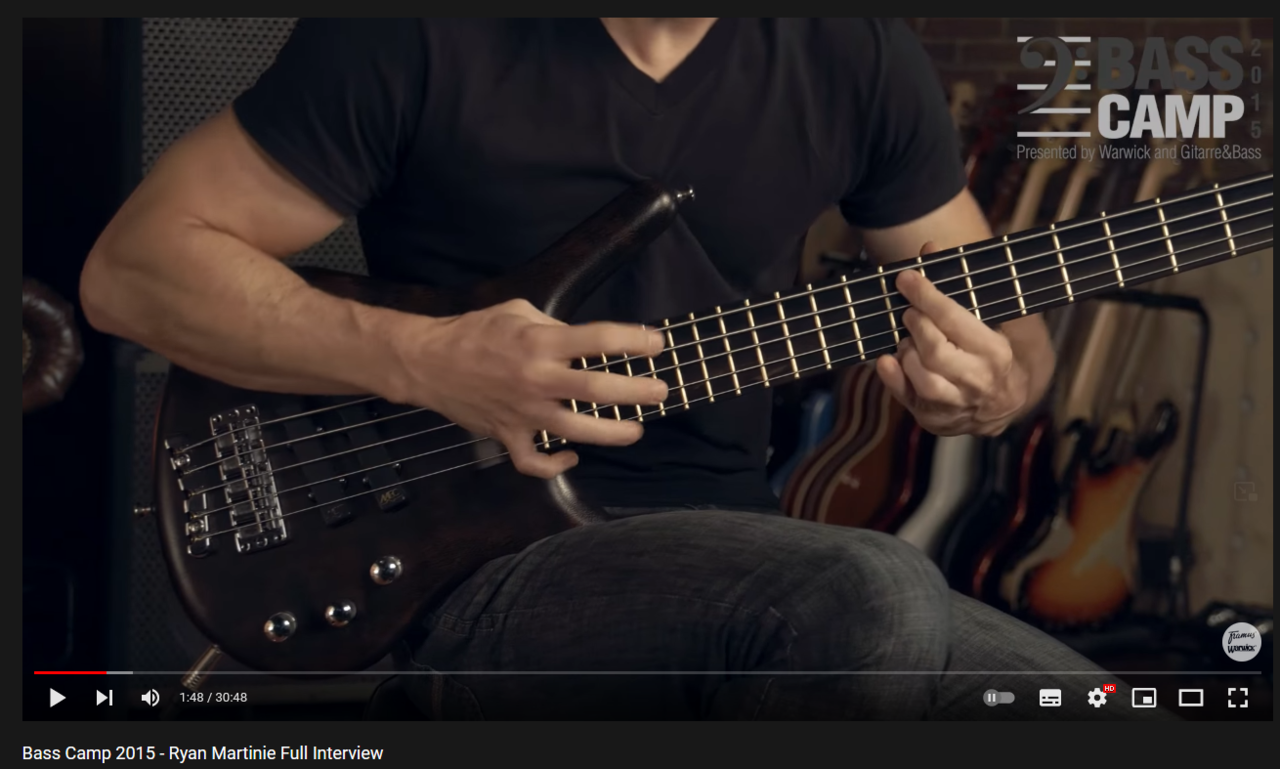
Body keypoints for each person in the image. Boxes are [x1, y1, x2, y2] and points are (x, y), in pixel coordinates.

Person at [81, 18, 1168, 720]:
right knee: (867, 588)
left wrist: (995, 386)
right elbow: (133, 272)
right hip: (466, 552)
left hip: (741, 544)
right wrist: (427, 358)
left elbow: (1006, 324)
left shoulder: (851, 52)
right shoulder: (413, 33)